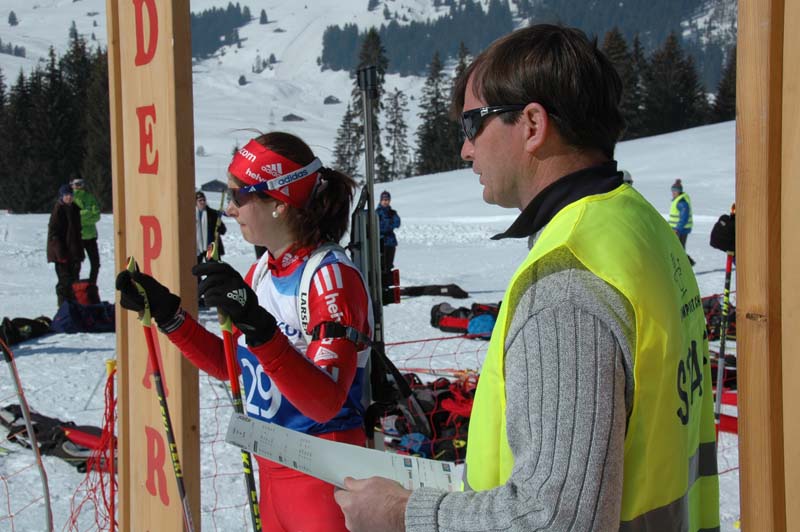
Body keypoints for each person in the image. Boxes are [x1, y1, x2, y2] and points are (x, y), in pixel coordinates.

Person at [334, 24, 719, 532]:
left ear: (533, 124)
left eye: (473, 124)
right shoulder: (639, 227)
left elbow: (553, 517)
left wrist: (400, 513)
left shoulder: (567, 281)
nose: (466, 150)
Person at [116, 131, 372, 531]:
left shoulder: (330, 277)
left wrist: (261, 329)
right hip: (273, 472)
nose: (231, 210)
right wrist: (170, 316)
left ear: (279, 203)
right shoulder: (262, 272)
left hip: (325, 478)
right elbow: (235, 366)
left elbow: (325, 402)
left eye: (238, 196)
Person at [47, 184, 85, 307]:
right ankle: (63, 309)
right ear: (61, 196)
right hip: (62, 255)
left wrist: (80, 253)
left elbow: (77, 233)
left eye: (70, 195)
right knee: (64, 283)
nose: (69, 197)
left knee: (74, 283)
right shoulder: (58, 210)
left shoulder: (75, 209)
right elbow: (54, 234)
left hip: (74, 253)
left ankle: (73, 308)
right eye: (66, 195)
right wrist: (60, 254)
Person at [71, 177, 101, 284]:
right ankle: (75, 287)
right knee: (76, 265)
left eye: (81, 183)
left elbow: (96, 216)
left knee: (95, 264)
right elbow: (73, 218)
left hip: (91, 236)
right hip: (77, 237)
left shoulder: (89, 197)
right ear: (72, 185)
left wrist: (80, 217)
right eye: (76, 183)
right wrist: (88, 214)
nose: (79, 186)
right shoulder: (70, 198)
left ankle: (92, 285)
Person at [195, 190, 226, 264]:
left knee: (212, 267)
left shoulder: (212, 213)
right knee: (195, 268)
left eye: (204, 200)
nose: (202, 202)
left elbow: (223, 230)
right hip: (196, 247)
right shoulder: (190, 214)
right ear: (195, 202)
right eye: (200, 200)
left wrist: (219, 228)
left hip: (210, 247)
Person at [670, 178, 695, 265]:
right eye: (673, 190)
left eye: (675, 191)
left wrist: (677, 229)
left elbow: (684, 217)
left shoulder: (681, 202)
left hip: (681, 229)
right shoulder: (678, 200)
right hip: (679, 229)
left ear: (679, 191)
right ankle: (688, 263)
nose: (673, 192)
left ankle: (687, 263)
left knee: (679, 248)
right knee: (679, 248)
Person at [376, 190, 401, 274]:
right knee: (381, 264)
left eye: (387, 200)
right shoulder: (377, 213)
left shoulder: (392, 212)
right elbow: (377, 226)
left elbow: (397, 223)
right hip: (380, 242)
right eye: (384, 200)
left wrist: (388, 226)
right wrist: (388, 225)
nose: (385, 202)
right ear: (381, 200)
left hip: (390, 242)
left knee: (389, 264)